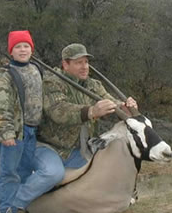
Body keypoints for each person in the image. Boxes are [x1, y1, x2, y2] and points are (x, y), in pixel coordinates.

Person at [34, 43, 138, 194]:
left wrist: (124, 106)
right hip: (53, 148)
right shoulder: (52, 82)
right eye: (78, 63)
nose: (84, 67)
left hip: (80, 150)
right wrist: (91, 111)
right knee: (53, 174)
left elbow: (109, 100)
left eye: (86, 62)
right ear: (65, 64)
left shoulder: (92, 84)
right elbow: (58, 111)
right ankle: (16, 203)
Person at [0, 30, 47, 213]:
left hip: (33, 130)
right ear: (11, 51)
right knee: (9, 173)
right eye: (18, 47)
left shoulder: (37, 70)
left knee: (24, 171)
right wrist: (6, 132)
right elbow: (1, 106)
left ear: (31, 49)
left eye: (26, 46)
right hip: (15, 132)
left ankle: (19, 209)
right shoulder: (4, 75)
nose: (22, 50)